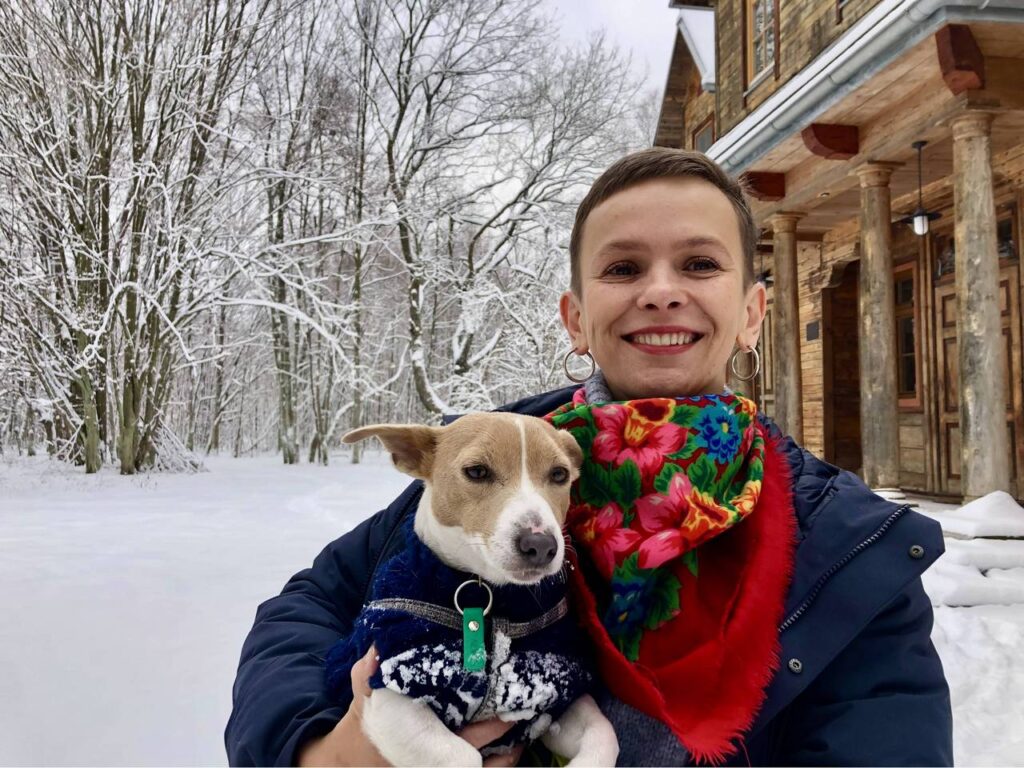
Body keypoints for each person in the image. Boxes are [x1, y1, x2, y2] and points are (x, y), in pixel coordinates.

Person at [225, 148, 953, 766]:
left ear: (752, 312)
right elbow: (305, 608)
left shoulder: (853, 548)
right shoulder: (486, 457)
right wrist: (321, 750)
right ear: (576, 319)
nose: (661, 292)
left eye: (700, 263)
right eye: (624, 268)